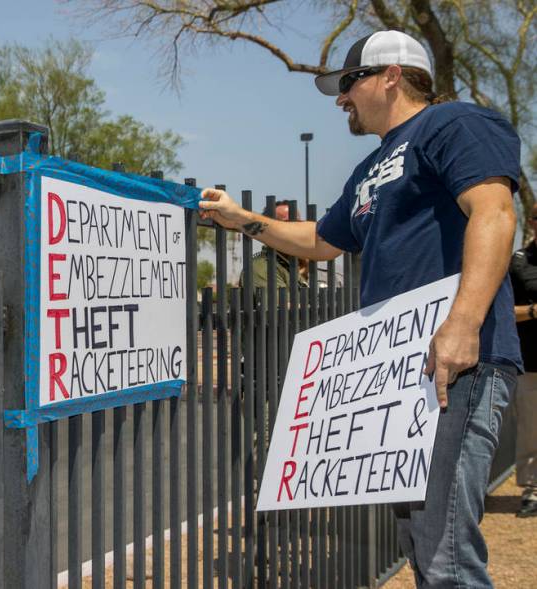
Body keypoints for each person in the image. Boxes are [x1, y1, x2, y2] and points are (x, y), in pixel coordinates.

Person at [199, 30, 521, 588]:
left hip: (457, 364)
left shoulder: (453, 124)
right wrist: (242, 219)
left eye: (350, 82)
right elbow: (322, 240)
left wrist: (463, 325)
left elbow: (493, 213)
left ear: (392, 75)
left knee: (446, 552)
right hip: (402, 375)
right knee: (423, 548)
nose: (340, 98)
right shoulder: (371, 167)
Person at [508, 204, 537, 517]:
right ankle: (532, 489)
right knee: (532, 429)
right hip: (532, 361)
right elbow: (502, 311)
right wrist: (532, 312)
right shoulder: (519, 263)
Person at [240, 200, 308, 290]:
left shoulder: (304, 265)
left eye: (298, 224)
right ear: (269, 231)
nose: (294, 230)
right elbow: (281, 303)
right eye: (286, 224)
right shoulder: (262, 268)